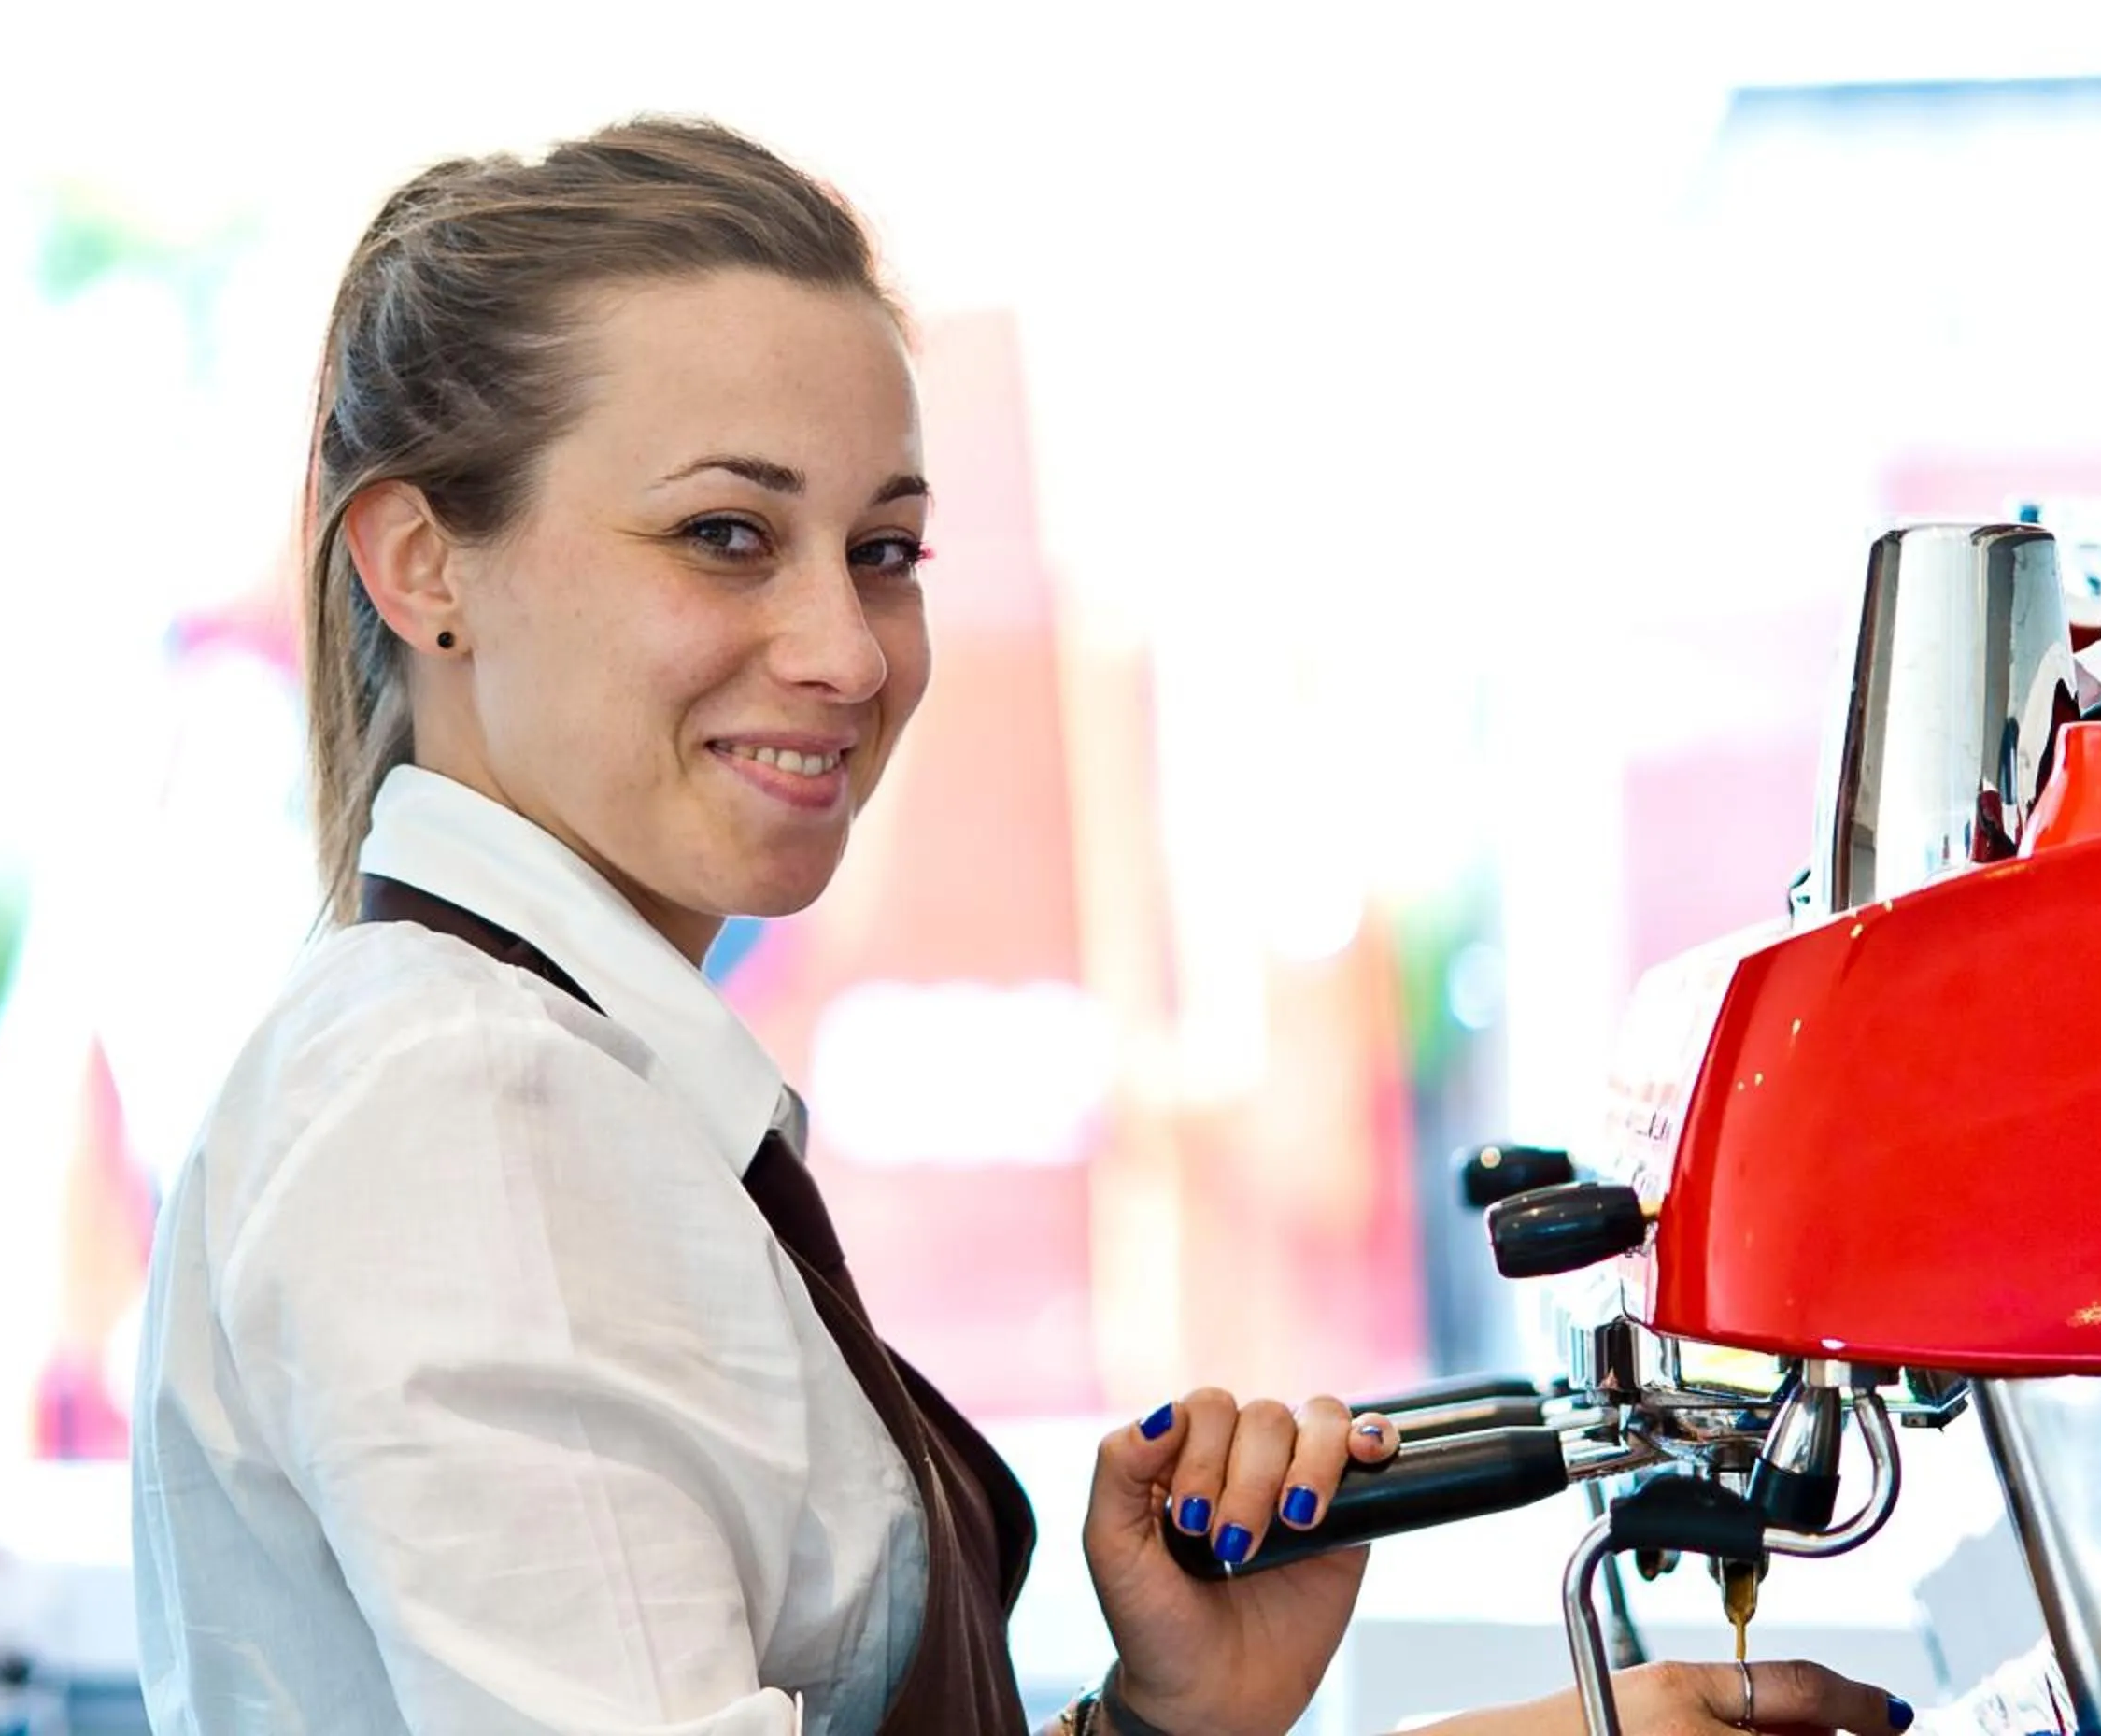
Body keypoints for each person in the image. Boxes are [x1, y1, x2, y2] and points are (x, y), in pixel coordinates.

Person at [129, 118, 1913, 1736]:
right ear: (423, 567)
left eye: (885, 551)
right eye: (728, 535)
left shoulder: (557, 1080)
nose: (845, 652)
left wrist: (1157, 1729)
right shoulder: (464, 1109)